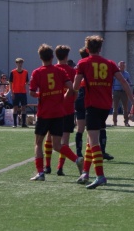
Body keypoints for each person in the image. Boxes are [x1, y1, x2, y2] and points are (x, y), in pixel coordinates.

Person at [73, 35, 134, 189]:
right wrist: (133, 102)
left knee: (93, 140)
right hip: (105, 106)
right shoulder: (110, 63)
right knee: (91, 139)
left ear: (87, 49)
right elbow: (124, 81)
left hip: (92, 105)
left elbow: (75, 86)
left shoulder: (83, 63)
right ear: (101, 48)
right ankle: (85, 173)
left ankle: (100, 176)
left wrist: (67, 98)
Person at [29, 44, 83, 181]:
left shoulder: (37, 72)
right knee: (58, 145)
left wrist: (41, 94)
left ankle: (41, 173)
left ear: (40, 57)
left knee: (38, 143)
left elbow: (32, 92)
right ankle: (77, 160)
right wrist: (62, 99)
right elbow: (71, 89)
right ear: (52, 57)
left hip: (44, 113)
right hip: (59, 112)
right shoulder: (60, 72)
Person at [43, 45, 78, 176]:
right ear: (67, 56)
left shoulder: (50, 69)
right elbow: (75, 91)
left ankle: (47, 166)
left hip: (53, 108)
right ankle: (60, 168)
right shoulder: (72, 70)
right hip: (68, 109)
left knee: (49, 137)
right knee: (65, 140)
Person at [74, 47, 89, 158]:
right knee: (92, 129)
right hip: (88, 96)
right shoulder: (89, 66)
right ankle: (90, 151)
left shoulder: (77, 66)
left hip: (79, 96)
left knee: (80, 128)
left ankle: (78, 151)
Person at [9, 58, 29, 128]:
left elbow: (27, 82)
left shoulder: (25, 72)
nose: (20, 64)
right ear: (16, 63)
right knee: (15, 108)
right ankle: (15, 123)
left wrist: (26, 89)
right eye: (18, 63)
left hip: (23, 92)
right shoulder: (13, 72)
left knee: (24, 107)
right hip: (16, 92)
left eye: (21, 63)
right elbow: (10, 83)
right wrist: (12, 92)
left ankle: (23, 123)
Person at [112, 61, 131, 127]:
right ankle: (114, 122)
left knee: (125, 108)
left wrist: (128, 86)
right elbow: (112, 83)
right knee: (115, 108)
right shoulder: (115, 73)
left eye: (123, 65)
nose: (122, 66)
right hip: (116, 92)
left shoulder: (127, 74)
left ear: (124, 66)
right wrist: (112, 92)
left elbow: (129, 82)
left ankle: (126, 122)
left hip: (124, 92)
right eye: (120, 65)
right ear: (118, 66)